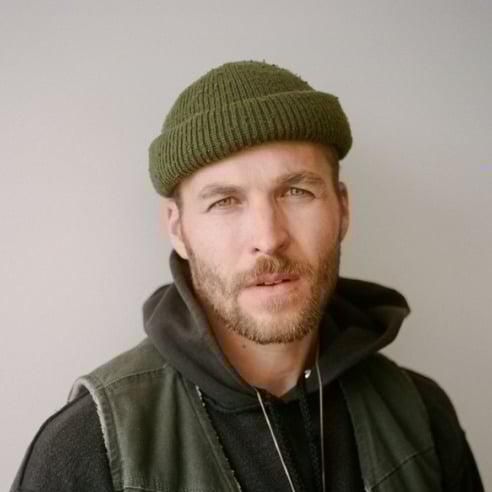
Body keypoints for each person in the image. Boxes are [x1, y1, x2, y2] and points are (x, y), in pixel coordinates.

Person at [11, 60, 483, 492]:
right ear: (178, 229)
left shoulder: (421, 416)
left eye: (296, 191)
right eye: (225, 202)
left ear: (342, 209)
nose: (268, 238)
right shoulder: (89, 448)